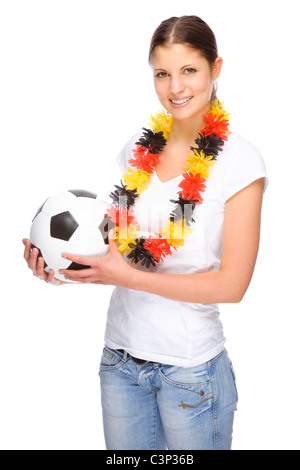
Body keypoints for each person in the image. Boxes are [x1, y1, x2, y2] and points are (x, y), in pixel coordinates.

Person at [23, 15, 268, 450]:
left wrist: (126, 277)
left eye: (189, 70)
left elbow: (232, 286)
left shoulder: (240, 163)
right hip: (120, 362)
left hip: (190, 373)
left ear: (217, 68)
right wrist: (64, 267)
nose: (176, 87)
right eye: (162, 74)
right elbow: (123, 253)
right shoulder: (139, 146)